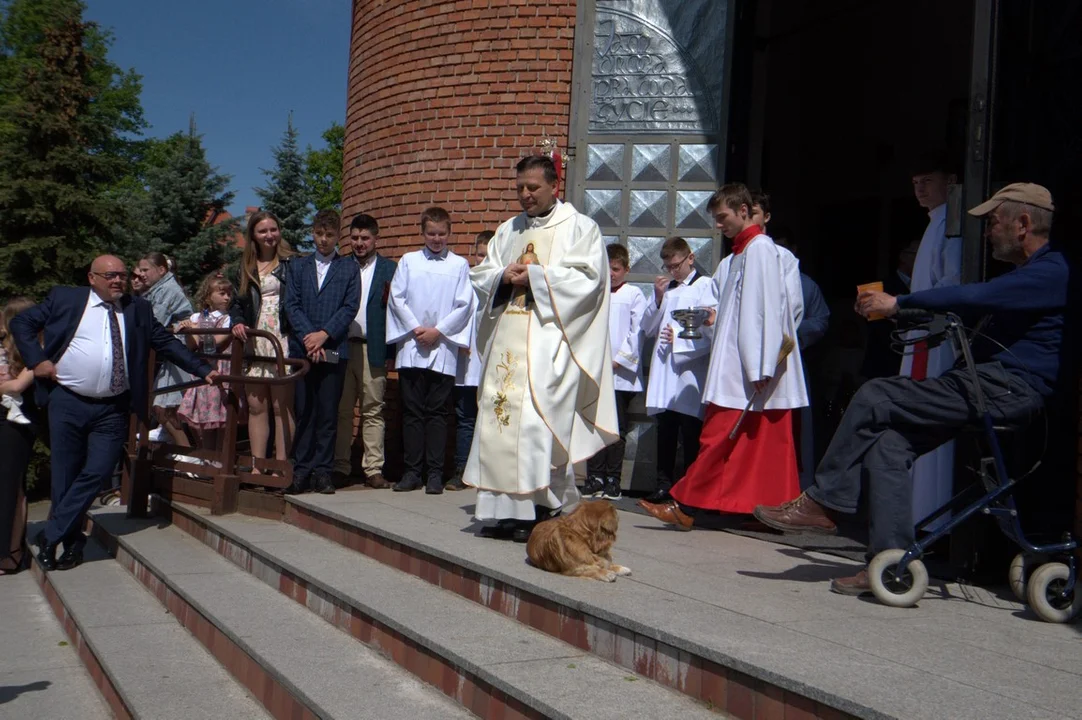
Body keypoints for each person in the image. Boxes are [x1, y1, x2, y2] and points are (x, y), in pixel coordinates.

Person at [753, 184, 1064, 595]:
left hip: (1006, 390)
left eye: (993, 222)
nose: (988, 232)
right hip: (978, 384)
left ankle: (823, 500)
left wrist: (899, 304)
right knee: (889, 446)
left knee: (876, 395)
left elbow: (976, 296)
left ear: (1023, 224)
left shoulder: (1051, 271)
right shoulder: (1028, 275)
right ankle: (890, 562)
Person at [11, 255, 216, 571]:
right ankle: (71, 544)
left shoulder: (138, 309)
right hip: (68, 400)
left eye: (122, 274)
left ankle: (51, 534)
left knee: (98, 470)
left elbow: (165, 342)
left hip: (113, 407)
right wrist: (37, 360)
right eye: (110, 275)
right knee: (66, 473)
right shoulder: (66, 298)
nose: (118, 280)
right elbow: (21, 322)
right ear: (92, 278)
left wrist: (203, 370)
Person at [464, 154, 618, 543]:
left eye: (533, 187)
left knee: (536, 424)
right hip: (508, 340)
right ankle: (500, 510)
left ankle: (542, 506)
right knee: (499, 421)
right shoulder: (508, 229)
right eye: (520, 188)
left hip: (550, 343)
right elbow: (482, 272)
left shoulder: (580, 228)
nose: (525, 195)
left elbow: (590, 280)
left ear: (554, 186)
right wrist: (503, 275)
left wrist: (534, 275)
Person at [639, 183, 807, 529]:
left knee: (720, 436)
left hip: (748, 368)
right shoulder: (739, 255)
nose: (718, 225)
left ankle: (684, 504)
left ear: (743, 211)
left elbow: (767, 312)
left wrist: (759, 365)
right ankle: (761, 508)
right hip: (741, 363)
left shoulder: (761, 250)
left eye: (723, 217)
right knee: (756, 443)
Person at [386, 207, 474, 494]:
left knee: (437, 412)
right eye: (431, 233)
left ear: (449, 233)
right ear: (422, 233)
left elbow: (464, 304)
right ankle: (412, 471)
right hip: (412, 344)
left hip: (442, 345)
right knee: (411, 411)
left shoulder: (459, 265)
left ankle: (435, 473)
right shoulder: (409, 261)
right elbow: (397, 298)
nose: (436, 239)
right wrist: (415, 329)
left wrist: (438, 331)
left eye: (441, 233)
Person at [753, 192, 830, 490]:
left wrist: (790, 336)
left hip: (792, 360)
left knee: (796, 428)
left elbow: (820, 320)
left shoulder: (805, 283)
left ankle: (797, 485)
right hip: (757, 362)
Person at [283, 209, 361, 495]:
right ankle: (301, 470)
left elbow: (349, 306)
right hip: (303, 350)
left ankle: (323, 472)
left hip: (333, 347)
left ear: (338, 236)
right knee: (304, 411)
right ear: (312, 233)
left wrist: (324, 335)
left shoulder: (349, 268)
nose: (324, 240)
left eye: (330, 235)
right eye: (319, 234)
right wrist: (309, 339)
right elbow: (291, 305)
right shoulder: (298, 267)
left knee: (328, 412)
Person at [904, 153, 964, 528]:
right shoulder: (933, 224)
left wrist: (907, 307)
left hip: (935, 338)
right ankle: (918, 516)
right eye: (915, 183)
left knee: (929, 421)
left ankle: (932, 520)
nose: (920, 189)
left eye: (927, 180)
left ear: (950, 181)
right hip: (921, 334)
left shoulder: (951, 226)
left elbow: (951, 282)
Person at [640, 236, 717, 504]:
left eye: (676, 265)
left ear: (690, 258)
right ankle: (664, 484)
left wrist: (681, 340)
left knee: (690, 430)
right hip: (665, 370)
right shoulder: (667, 289)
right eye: (668, 267)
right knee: (666, 429)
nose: (672, 271)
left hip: (689, 371)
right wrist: (659, 299)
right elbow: (648, 328)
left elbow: (710, 327)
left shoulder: (705, 286)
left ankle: (690, 489)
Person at [332, 214, 397, 489]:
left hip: (374, 348)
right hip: (343, 347)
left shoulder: (389, 269)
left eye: (365, 238)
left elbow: (396, 311)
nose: (359, 243)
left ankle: (373, 469)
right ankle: (340, 466)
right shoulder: (340, 266)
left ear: (375, 238)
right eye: (355, 238)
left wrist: (392, 350)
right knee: (343, 409)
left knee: (373, 410)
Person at [231, 211, 296, 469]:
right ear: (253, 236)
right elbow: (237, 303)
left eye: (273, 229)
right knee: (256, 406)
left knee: (282, 407)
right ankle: (258, 465)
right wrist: (237, 320)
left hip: (282, 336)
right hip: (255, 338)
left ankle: (280, 466)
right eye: (263, 231)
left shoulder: (292, 264)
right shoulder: (245, 266)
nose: (269, 235)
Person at [584, 243, 647, 499]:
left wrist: (619, 360)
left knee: (616, 429)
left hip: (621, 375)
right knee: (596, 425)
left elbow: (638, 331)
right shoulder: (596, 293)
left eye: (616, 269)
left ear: (626, 269)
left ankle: (613, 479)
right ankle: (594, 476)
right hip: (597, 372)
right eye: (607, 269)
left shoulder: (634, 295)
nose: (611, 274)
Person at [449, 230, 493, 491]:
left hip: (492, 363)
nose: (482, 260)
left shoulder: (501, 283)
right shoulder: (465, 280)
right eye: (479, 254)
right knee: (465, 418)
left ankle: (488, 474)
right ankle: (461, 470)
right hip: (467, 362)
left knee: (491, 420)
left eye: (488, 256)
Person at [135, 252, 194, 448]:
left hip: (176, 351)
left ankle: (187, 453)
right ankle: (179, 446)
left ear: (161, 270)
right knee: (164, 406)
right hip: (170, 352)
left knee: (163, 408)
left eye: (145, 270)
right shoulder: (157, 289)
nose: (141, 274)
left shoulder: (167, 290)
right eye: (140, 270)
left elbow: (154, 321)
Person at [0, 297, 39, 575]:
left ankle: (12, 553)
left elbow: (17, 385)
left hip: (16, 424)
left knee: (11, 486)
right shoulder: (4, 349)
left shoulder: (34, 351)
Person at [177, 272, 234, 455]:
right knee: (205, 419)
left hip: (221, 370)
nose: (226, 297)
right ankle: (206, 456)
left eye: (228, 294)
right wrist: (188, 330)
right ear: (208, 297)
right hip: (202, 372)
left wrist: (196, 330)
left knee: (222, 418)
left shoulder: (228, 318)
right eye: (221, 293)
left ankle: (221, 458)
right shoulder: (196, 317)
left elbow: (216, 341)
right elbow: (192, 345)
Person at [860, 239, 919, 381]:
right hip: (886, 365)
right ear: (903, 256)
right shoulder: (879, 287)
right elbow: (877, 329)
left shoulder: (924, 287)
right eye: (917, 254)